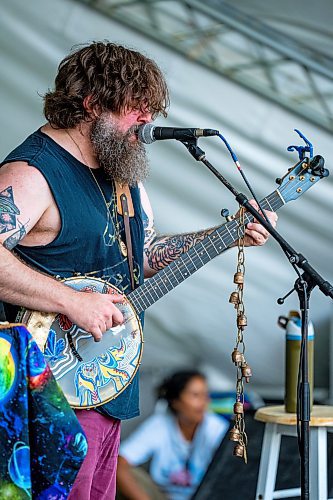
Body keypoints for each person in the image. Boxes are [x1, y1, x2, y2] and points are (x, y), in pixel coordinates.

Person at [0, 41, 278, 499]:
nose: (148, 120)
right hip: (48, 398)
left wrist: (228, 233)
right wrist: (71, 301)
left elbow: (144, 255)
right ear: (91, 103)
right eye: (137, 106)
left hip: (107, 391)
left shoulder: (122, 176)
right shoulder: (33, 173)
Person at [116, 370, 229, 500]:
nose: (203, 402)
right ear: (176, 401)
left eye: (205, 395)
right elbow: (120, 464)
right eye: (196, 395)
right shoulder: (160, 425)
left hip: (204, 496)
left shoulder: (215, 427)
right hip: (164, 496)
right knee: (124, 473)